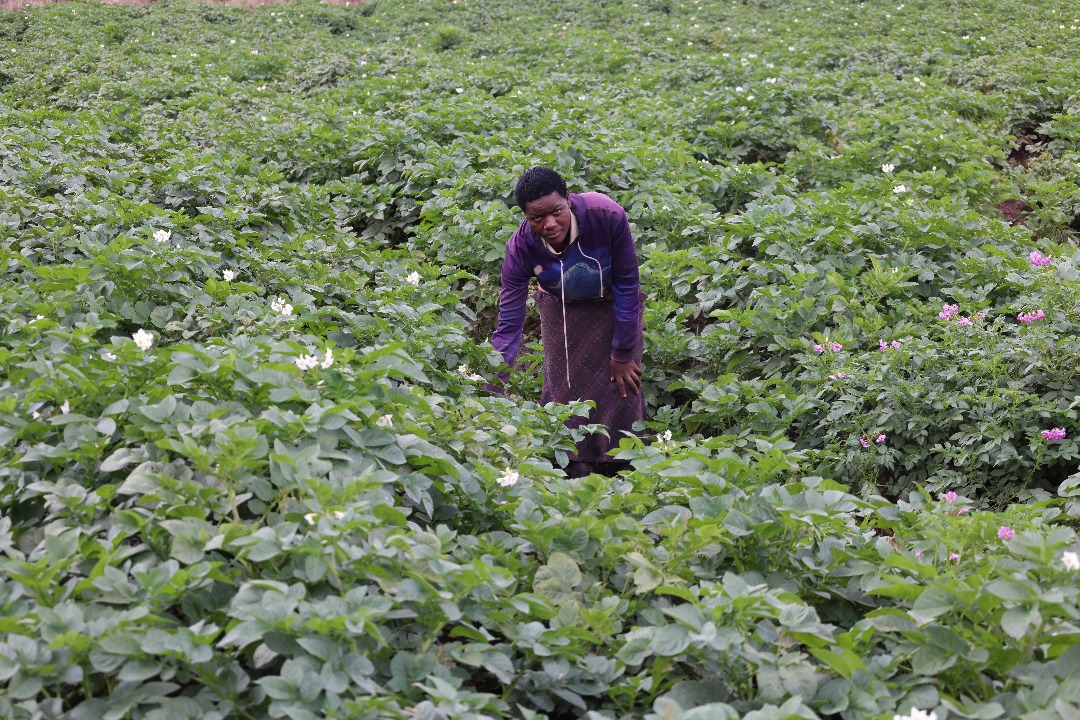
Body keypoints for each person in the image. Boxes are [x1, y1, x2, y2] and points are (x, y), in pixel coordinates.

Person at [491, 167, 645, 477]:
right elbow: (509, 323)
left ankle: (622, 466)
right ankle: (574, 465)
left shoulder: (606, 215)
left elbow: (629, 285)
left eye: (556, 212)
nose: (549, 224)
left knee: (621, 388)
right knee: (566, 390)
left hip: (614, 307)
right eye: (537, 218)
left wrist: (623, 353)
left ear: (569, 201)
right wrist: (492, 385)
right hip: (561, 310)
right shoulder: (520, 248)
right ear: (525, 217)